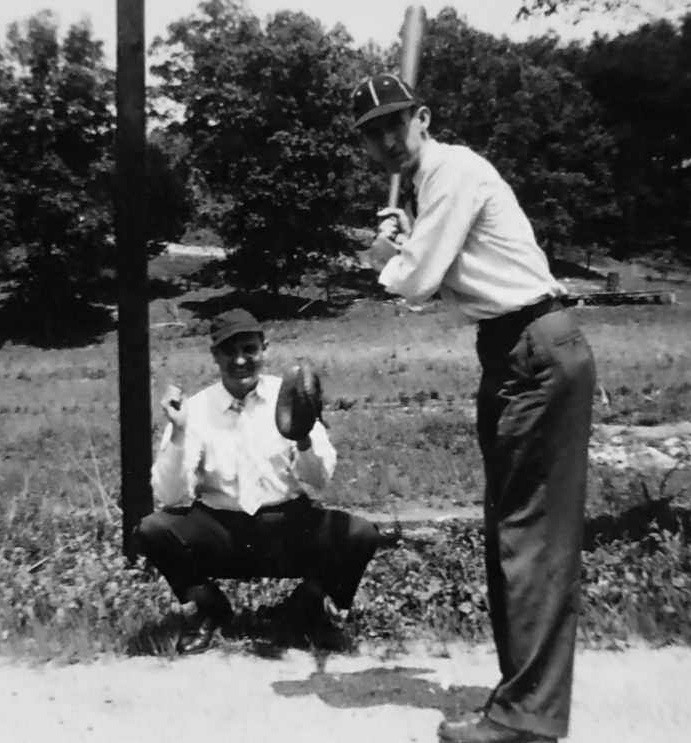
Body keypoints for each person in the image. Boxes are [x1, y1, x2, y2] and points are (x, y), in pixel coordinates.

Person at [350, 73, 597, 743]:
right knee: (513, 534)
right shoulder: (435, 184)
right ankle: (524, 704)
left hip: (535, 348)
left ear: (423, 118)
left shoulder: (452, 171)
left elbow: (419, 279)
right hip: (512, 351)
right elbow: (446, 262)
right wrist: (409, 239)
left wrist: (386, 256)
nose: (386, 139)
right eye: (372, 133)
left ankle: (526, 718)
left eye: (395, 122)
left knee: (530, 537)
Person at [135, 308, 381, 654]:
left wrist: (304, 438)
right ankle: (211, 609)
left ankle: (304, 609)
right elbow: (169, 495)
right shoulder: (196, 409)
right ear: (214, 355)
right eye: (229, 351)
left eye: (249, 349)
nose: (240, 360)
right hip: (221, 527)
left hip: (287, 524)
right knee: (153, 530)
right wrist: (178, 431)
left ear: (264, 349)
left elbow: (320, 481)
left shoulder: (291, 396)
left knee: (359, 534)